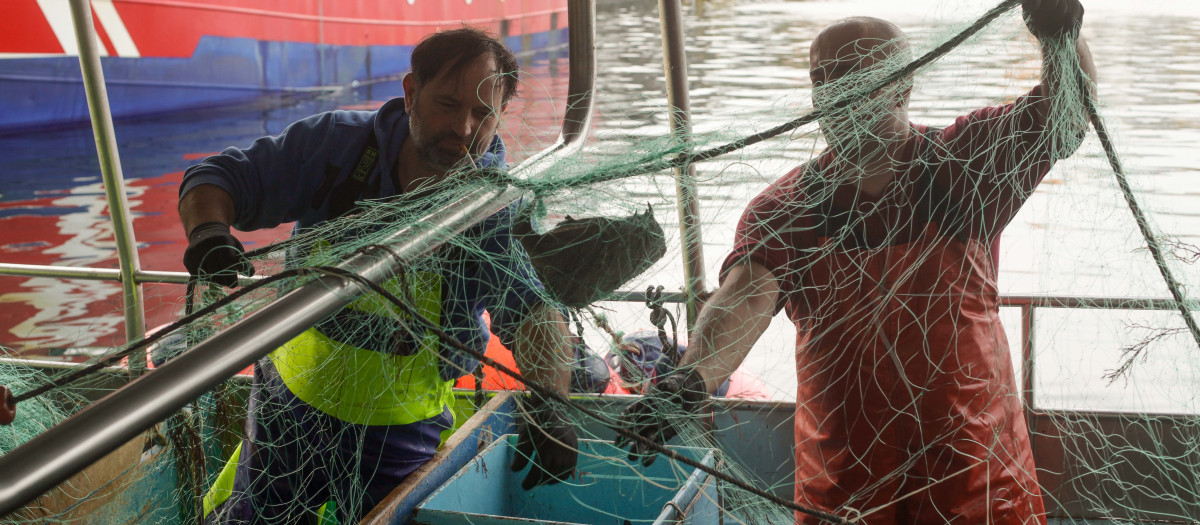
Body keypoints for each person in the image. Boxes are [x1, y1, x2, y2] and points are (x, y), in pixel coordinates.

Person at [619, 1, 1096, 523]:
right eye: (823, 76)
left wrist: (1060, 36)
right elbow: (746, 294)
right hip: (844, 483)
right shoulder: (784, 207)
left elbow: (1064, 117)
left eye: (857, 73)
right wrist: (692, 380)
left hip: (980, 478)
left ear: (904, 84)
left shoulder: (966, 163)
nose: (837, 90)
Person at [178, 27, 578, 523]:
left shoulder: (493, 206)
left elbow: (535, 310)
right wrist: (210, 233)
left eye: (483, 113)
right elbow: (217, 177)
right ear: (410, 93)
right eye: (448, 105)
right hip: (289, 405)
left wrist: (551, 406)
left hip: (400, 428)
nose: (464, 127)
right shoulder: (336, 148)